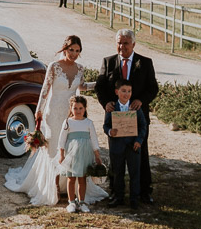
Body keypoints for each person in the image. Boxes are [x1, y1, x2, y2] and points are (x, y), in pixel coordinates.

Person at [5, 35, 108, 206]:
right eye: (71, 50)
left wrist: (98, 83)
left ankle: (68, 187)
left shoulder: (80, 68)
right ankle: (52, 187)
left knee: (69, 147)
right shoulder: (54, 67)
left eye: (77, 51)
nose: (74, 54)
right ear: (65, 49)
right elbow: (45, 90)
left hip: (71, 115)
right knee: (53, 148)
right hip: (52, 113)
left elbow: (81, 87)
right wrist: (38, 110)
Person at [94, 28, 157, 204]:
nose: (122, 46)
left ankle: (144, 192)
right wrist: (105, 102)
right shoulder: (108, 62)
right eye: (119, 43)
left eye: (126, 43)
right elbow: (100, 87)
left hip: (137, 119)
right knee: (116, 158)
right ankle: (116, 193)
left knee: (141, 154)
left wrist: (141, 101)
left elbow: (153, 88)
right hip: (115, 120)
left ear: (133, 44)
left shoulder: (145, 62)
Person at [103, 78, 148, 210]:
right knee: (118, 173)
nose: (126, 94)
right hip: (117, 146)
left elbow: (143, 126)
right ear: (117, 92)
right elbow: (105, 126)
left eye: (129, 91)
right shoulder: (111, 108)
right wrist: (110, 131)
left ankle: (134, 199)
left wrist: (139, 141)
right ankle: (118, 197)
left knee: (135, 173)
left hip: (132, 146)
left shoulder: (135, 108)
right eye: (123, 91)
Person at [57, 95, 104, 213]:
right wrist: (61, 154)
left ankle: (81, 202)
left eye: (80, 108)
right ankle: (71, 202)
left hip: (84, 154)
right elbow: (62, 139)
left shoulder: (88, 123)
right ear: (71, 108)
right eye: (75, 108)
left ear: (85, 109)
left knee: (82, 179)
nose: (78, 111)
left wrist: (97, 156)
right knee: (71, 178)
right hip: (71, 154)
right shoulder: (68, 122)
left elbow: (94, 140)